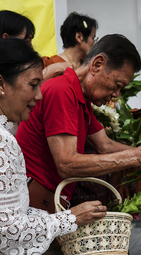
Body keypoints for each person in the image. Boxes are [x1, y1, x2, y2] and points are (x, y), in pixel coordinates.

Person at [16, 34, 141, 213]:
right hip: (33, 206)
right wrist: (137, 157)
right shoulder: (61, 90)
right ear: (97, 64)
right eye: (117, 84)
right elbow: (66, 164)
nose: (116, 94)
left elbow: (105, 145)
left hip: (51, 204)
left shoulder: (82, 100)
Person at [0, 38, 107, 255]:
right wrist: (70, 218)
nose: (39, 95)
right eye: (33, 85)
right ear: (2, 84)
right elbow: (6, 231)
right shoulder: (4, 142)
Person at [42, 12, 98, 80]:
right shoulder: (49, 64)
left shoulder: (91, 66)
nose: (94, 44)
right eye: (93, 38)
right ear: (79, 37)